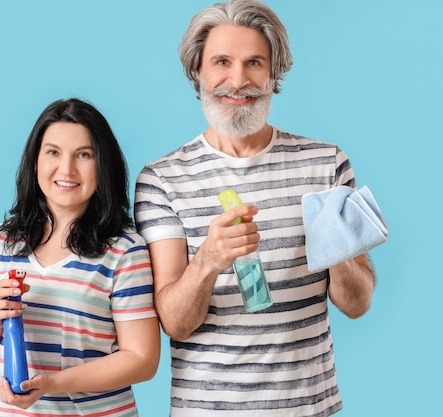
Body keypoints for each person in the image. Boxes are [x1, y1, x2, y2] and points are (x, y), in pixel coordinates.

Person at [133, 1, 376, 416]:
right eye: (221, 62)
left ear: (274, 72)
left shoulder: (325, 165)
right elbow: (174, 322)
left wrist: (339, 255)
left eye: (254, 63)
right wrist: (209, 259)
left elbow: (357, 304)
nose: (238, 80)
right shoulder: (162, 179)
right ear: (198, 71)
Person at [0, 98, 161, 417]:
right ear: (35, 161)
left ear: (102, 165)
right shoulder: (4, 241)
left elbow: (142, 360)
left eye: (84, 154)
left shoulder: (124, 249)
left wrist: (52, 383)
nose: (66, 169)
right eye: (53, 152)